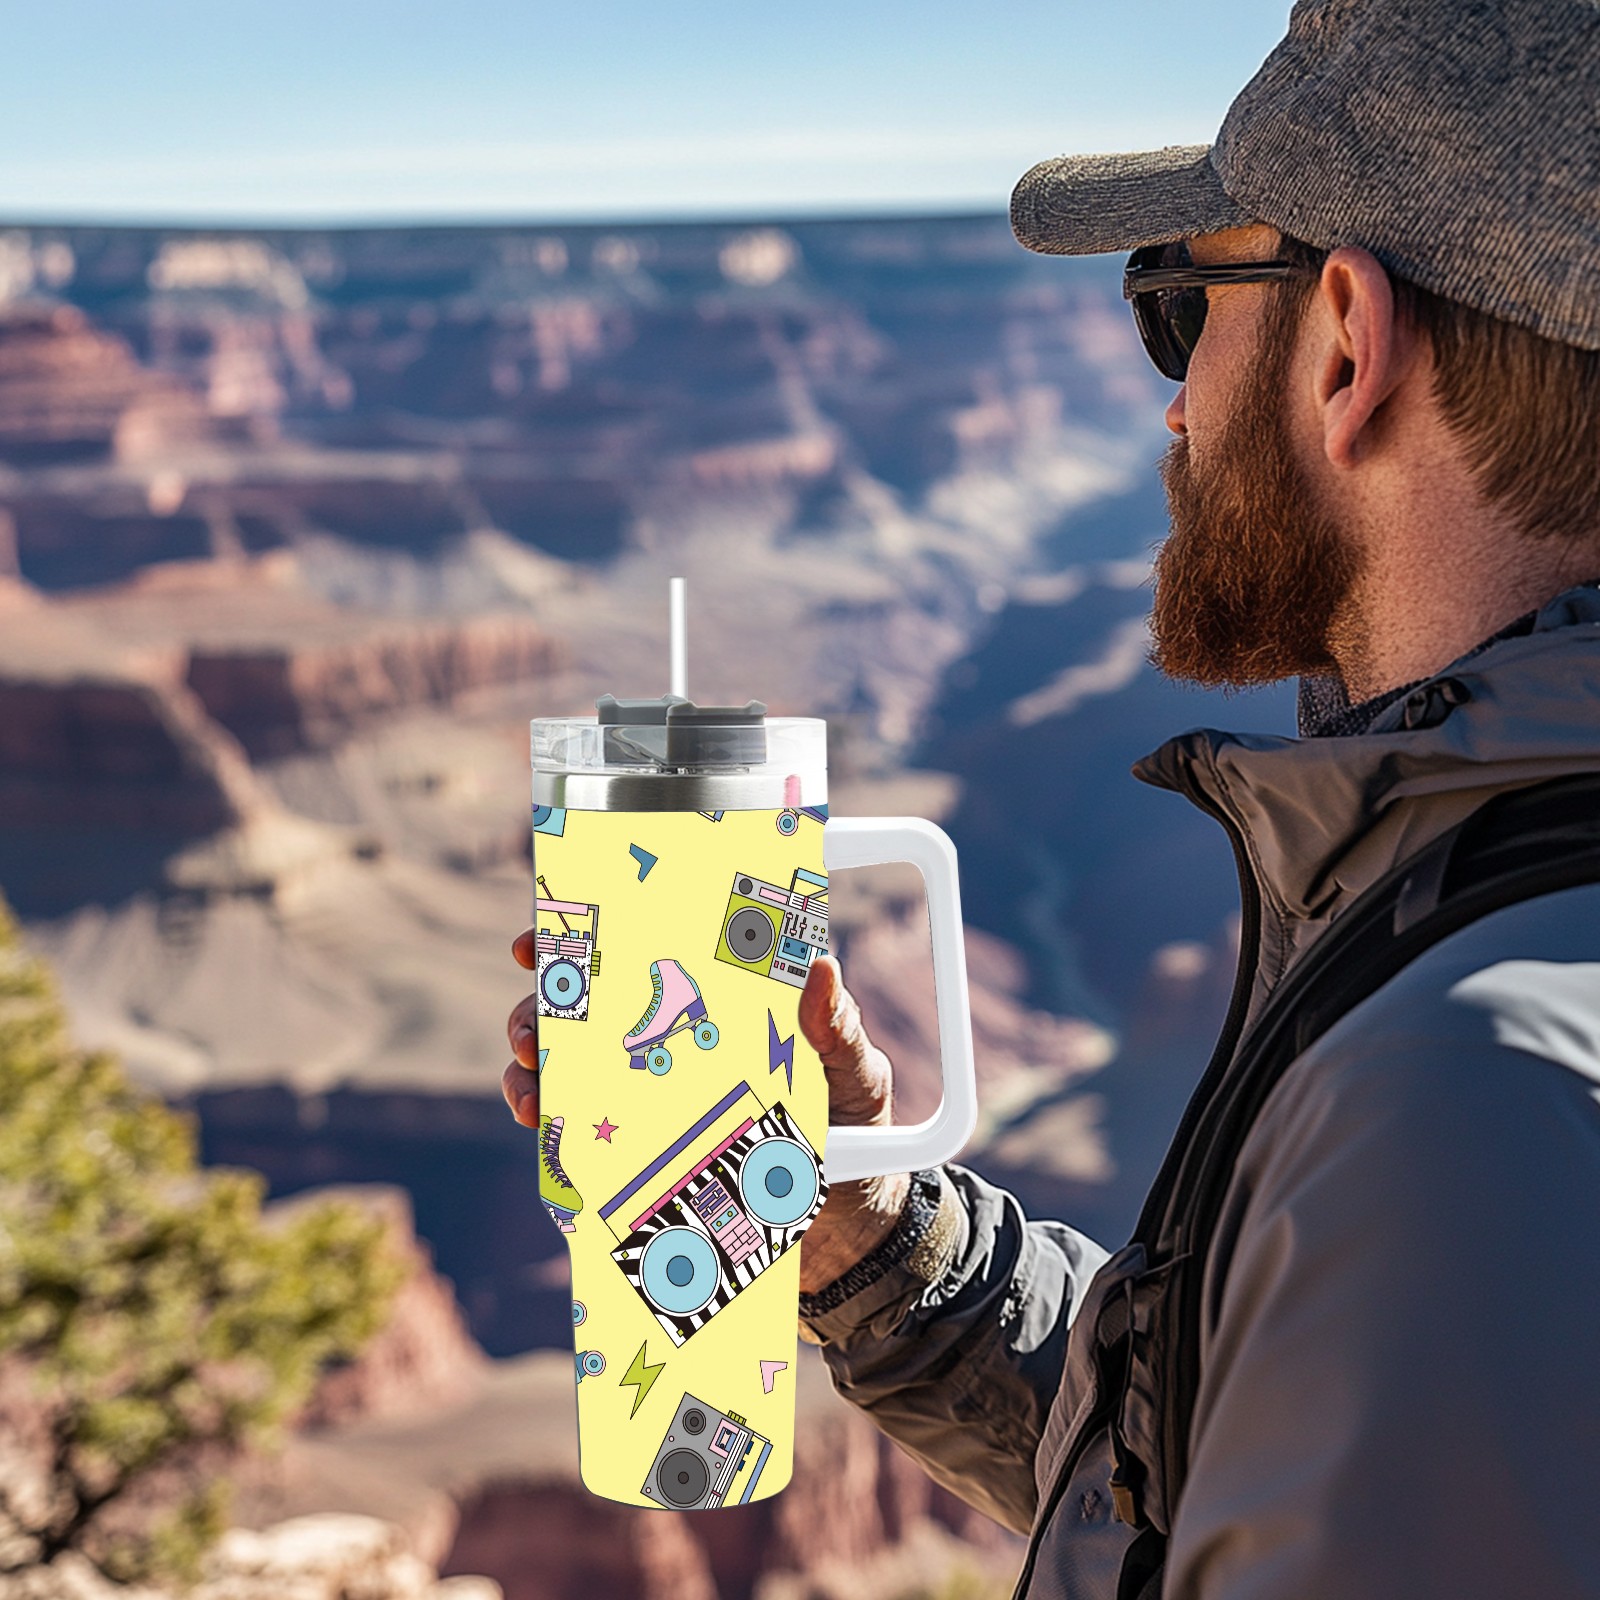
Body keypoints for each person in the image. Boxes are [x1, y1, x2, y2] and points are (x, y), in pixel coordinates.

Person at [504, 0, 1600, 1592]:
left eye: (1182, 305)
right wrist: (864, 1227)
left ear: (1347, 344)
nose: (1173, 402)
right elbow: (1235, 1471)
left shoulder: (1460, 1103)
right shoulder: (1493, 964)